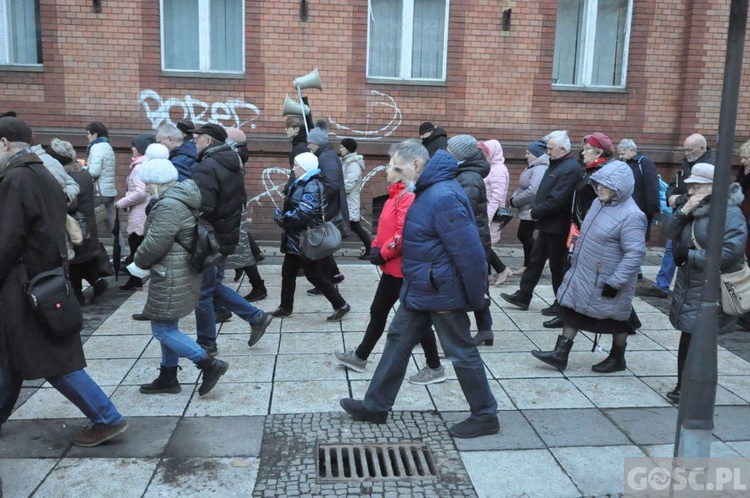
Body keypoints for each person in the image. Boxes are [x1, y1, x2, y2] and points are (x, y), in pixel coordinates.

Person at [339, 147, 499, 439]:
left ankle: (485, 415)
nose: (392, 175)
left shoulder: (443, 196)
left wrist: (478, 301)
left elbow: (470, 252)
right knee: (397, 340)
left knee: (460, 351)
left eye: (397, 170)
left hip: (441, 291)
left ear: (415, 164)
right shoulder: (430, 190)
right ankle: (375, 406)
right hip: (421, 288)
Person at [0, 116, 128, 447]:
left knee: (52, 360)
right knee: (11, 355)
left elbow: (7, 240)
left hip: (25, 286)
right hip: (45, 280)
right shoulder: (44, 172)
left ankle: (106, 418)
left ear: (4, 143)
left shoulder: (15, 179)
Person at [333, 141, 445, 385]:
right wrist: (375, 246)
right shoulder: (397, 196)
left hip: (402, 270)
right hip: (391, 269)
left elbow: (404, 233)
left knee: (418, 322)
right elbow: (385, 229)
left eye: (394, 167)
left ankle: (435, 367)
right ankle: (360, 357)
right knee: (378, 312)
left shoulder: (409, 196)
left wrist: (382, 253)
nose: (388, 171)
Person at [531, 161, 646, 373]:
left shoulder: (632, 216)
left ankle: (617, 357)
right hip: (586, 272)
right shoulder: (598, 203)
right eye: (598, 183)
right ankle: (560, 354)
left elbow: (635, 254)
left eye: (606, 185)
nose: (599, 188)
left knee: (617, 320)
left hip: (609, 279)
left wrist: (615, 282)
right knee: (573, 310)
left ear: (620, 188)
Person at [131, 154, 230, 396]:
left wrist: (137, 262)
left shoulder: (167, 205)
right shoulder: (179, 198)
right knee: (168, 324)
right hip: (177, 270)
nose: (144, 187)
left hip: (170, 273)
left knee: (162, 329)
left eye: (146, 182)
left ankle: (207, 363)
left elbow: (155, 242)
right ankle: (168, 376)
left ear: (155, 182)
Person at [663, 163, 746, 403]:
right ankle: (683, 386)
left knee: (699, 339)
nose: (692, 190)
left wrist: (689, 256)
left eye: (698, 185)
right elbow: (670, 232)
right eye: (691, 185)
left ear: (714, 187)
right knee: (687, 336)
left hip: (711, 287)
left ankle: (690, 390)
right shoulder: (693, 207)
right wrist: (682, 211)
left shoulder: (729, 213)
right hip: (689, 284)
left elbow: (730, 251)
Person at [190, 123, 274, 356]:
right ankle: (256, 317)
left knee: (203, 293)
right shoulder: (232, 162)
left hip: (210, 237)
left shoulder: (206, 167)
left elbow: (202, 208)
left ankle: (207, 343)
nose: (193, 142)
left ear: (208, 141)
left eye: (197, 138)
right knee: (213, 285)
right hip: (225, 235)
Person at [500, 130, 582, 315]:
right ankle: (523, 295)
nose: (547, 152)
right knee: (536, 260)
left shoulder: (570, 168)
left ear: (563, 149)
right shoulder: (555, 164)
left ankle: (561, 303)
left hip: (558, 226)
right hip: (547, 224)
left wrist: (535, 212)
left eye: (551, 149)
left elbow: (558, 199)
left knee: (557, 266)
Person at [271, 152, 352, 321]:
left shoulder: (312, 185)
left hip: (305, 239)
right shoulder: (303, 182)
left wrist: (284, 218)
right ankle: (285, 307)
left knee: (314, 275)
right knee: (287, 272)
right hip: (296, 238)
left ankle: (341, 305)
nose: (293, 168)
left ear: (305, 167)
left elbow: (305, 212)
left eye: (296, 165)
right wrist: (282, 214)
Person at [639, 133, 716, 298]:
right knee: (670, 248)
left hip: (695, 216)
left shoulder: (710, 166)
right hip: (681, 213)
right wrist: (670, 196)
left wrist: (678, 199)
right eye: (685, 149)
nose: (686, 153)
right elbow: (675, 184)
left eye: (689, 149)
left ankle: (671, 287)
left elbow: (701, 194)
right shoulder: (687, 163)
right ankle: (662, 285)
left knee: (682, 252)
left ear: (702, 148)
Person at [447, 135, 495, 347]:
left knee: (470, 286)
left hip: (472, 240)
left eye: (450, 150)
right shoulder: (466, 174)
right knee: (477, 285)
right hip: (475, 239)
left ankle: (470, 333)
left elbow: (460, 213)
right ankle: (485, 330)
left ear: (460, 155)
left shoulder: (468, 178)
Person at [46, 139, 107, 305]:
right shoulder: (84, 172)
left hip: (76, 225)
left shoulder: (68, 176)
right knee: (84, 260)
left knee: (74, 262)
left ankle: (78, 295)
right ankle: (98, 282)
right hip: (87, 222)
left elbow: (71, 203)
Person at [224, 127, 266, 302]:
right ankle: (257, 284)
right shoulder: (235, 157)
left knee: (242, 250)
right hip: (233, 207)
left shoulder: (231, 158)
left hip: (230, 209)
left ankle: (258, 286)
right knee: (241, 249)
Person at [306, 122, 347, 295]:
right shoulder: (326, 155)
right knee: (323, 244)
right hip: (329, 206)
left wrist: (321, 202)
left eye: (310, 143)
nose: (308, 146)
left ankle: (327, 282)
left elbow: (330, 184)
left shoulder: (326, 157)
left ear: (317, 143)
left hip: (328, 208)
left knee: (322, 244)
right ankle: (333, 276)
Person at [115, 134, 155, 291]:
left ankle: (135, 278)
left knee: (136, 247)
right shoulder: (147, 164)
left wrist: (121, 202)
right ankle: (135, 279)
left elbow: (141, 192)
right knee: (138, 247)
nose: (131, 148)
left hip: (140, 215)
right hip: (144, 213)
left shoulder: (139, 167)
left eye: (134, 146)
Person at [509, 139, 549, 268]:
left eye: (528, 153)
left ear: (536, 154)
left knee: (524, 235)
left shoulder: (540, 168)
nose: (526, 156)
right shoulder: (533, 166)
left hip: (532, 208)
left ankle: (542, 258)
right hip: (527, 207)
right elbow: (523, 188)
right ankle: (528, 266)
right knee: (525, 235)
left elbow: (533, 191)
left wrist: (515, 201)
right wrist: (514, 198)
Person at [478, 139, 512, 286]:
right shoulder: (492, 167)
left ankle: (502, 270)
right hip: (487, 212)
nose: (484, 154)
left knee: (482, 244)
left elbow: (496, 198)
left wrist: (488, 218)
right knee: (484, 244)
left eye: (487, 152)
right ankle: (489, 275)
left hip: (491, 214)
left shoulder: (497, 170)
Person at [617, 139, 661, 242]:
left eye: (622, 153)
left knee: (638, 238)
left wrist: (654, 210)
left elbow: (652, 186)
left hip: (641, 209)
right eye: (619, 154)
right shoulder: (623, 163)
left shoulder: (644, 162)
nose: (620, 157)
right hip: (626, 208)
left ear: (631, 150)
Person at [340, 138, 372, 259]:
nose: (340, 149)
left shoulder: (353, 164)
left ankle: (369, 249)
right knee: (349, 225)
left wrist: (340, 192)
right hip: (347, 199)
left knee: (354, 226)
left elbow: (348, 184)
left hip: (349, 200)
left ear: (348, 149)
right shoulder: (347, 161)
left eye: (342, 147)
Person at [84, 122, 118, 235]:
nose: (87, 136)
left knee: (89, 222)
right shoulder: (108, 146)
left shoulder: (96, 148)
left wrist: (83, 168)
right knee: (113, 225)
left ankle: (89, 247)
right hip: (109, 191)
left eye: (88, 134)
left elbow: (94, 172)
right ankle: (120, 249)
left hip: (99, 193)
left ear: (95, 135)